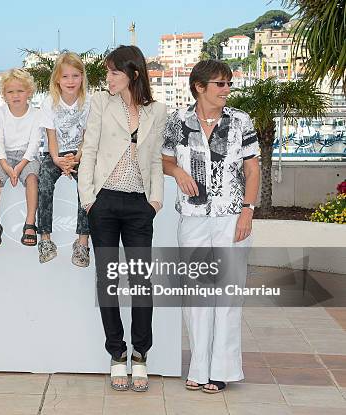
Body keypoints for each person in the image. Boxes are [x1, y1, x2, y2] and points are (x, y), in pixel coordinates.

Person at [162, 60, 260, 393]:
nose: (226, 89)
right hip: (192, 217)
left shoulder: (240, 121)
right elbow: (165, 158)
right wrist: (177, 172)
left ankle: (222, 370)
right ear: (199, 87)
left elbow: (252, 169)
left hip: (232, 216)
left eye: (228, 83)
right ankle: (199, 367)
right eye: (220, 84)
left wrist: (248, 211)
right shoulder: (178, 120)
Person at [79, 45, 167, 392]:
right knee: (108, 281)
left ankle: (140, 354)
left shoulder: (157, 110)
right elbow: (89, 149)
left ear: (133, 73)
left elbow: (157, 160)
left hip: (139, 206)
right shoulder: (101, 102)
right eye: (107, 72)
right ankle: (117, 355)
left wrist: (155, 200)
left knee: (142, 282)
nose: (108, 78)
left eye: (114, 72)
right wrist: (89, 199)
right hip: (103, 203)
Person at [37, 52, 91, 266]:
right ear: (57, 79)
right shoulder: (49, 102)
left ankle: (82, 242)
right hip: (56, 153)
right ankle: (45, 239)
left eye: (75, 76)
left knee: (87, 184)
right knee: (44, 181)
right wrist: (59, 161)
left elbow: (88, 136)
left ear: (82, 78)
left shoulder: (89, 102)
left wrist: (78, 156)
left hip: (80, 152)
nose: (70, 81)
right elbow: (51, 139)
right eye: (65, 76)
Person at [0, 69, 42, 248]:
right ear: (4, 95)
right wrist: (4, 164)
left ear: (29, 92)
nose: (15, 95)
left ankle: (30, 223)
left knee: (32, 179)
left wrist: (20, 166)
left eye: (20, 91)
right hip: (4, 156)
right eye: (10, 92)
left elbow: (34, 143)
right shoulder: (0, 113)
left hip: (27, 156)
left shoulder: (36, 114)